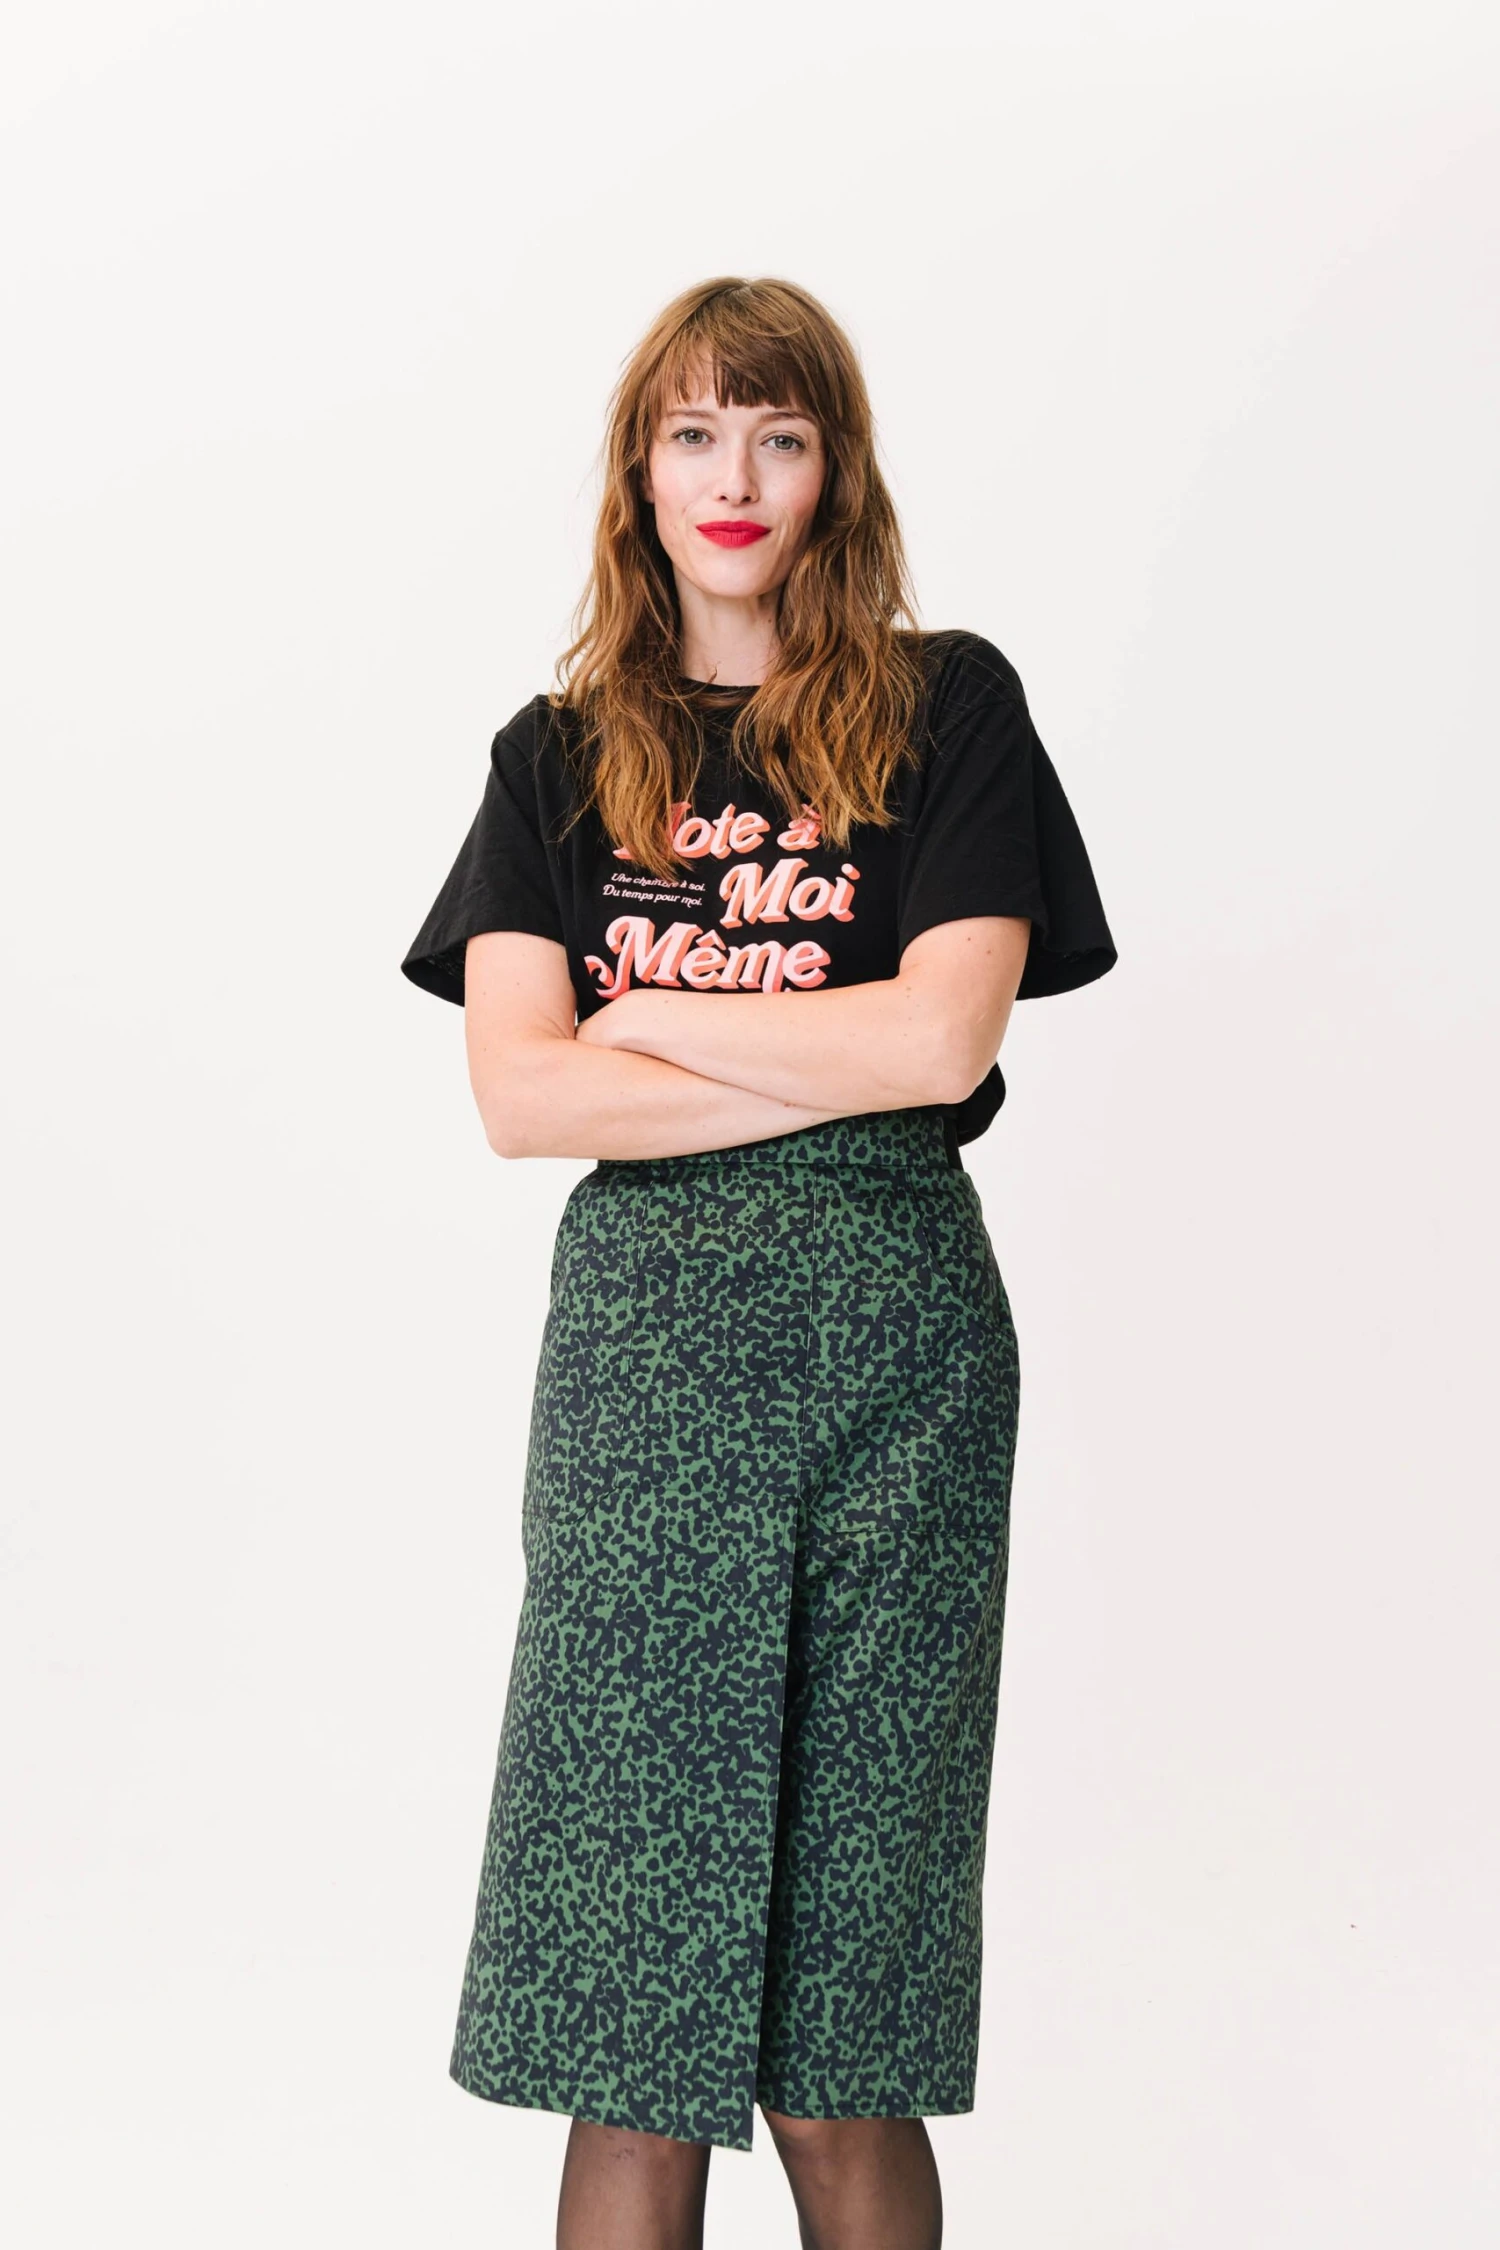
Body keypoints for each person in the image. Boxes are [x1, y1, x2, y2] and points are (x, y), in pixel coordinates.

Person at [400, 275, 1117, 2250]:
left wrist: (649, 1023)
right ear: (641, 474)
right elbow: (522, 1097)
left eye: (780, 435)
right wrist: (811, 1048)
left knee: (841, 2042)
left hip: (900, 1369)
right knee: (630, 2040)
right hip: (646, 1386)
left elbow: (944, 1042)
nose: (737, 476)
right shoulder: (555, 760)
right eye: (697, 433)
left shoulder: (948, 708)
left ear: (833, 473)